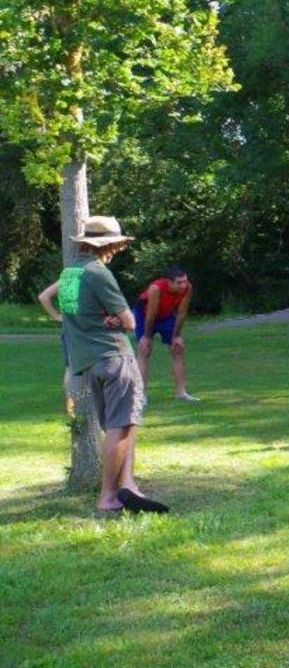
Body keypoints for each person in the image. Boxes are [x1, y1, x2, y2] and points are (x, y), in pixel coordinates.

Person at [47, 216, 169, 514]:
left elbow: (77, 313)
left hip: (89, 361)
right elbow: (129, 321)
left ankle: (127, 485)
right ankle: (108, 497)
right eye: (117, 244)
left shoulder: (70, 273)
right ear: (108, 245)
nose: (118, 249)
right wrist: (119, 319)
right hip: (114, 356)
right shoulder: (98, 273)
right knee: (120, 426)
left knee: (119, 425)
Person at [132, 266, 198, 401]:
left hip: (166, 315)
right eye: (179, 282)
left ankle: (181, 393)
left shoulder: (188, 288)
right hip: (145, 315)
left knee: (177, 349)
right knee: (144, 351)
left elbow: (182, 312)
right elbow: (151, 314)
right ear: (169, 282)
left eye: (185, 281)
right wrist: (146, 337)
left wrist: (176, 336)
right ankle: (141, 396)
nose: (183, 285)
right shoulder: (156, 289)